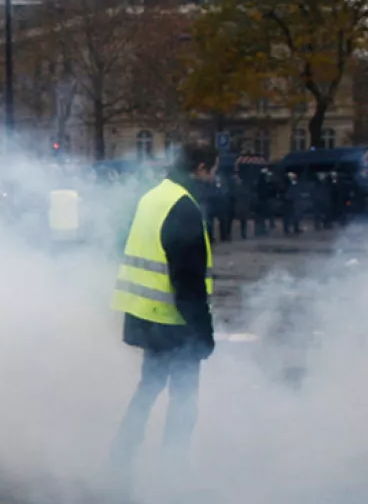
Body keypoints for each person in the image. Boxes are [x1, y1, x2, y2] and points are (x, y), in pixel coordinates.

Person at [108, 138, 217, 488]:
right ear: (200, 168)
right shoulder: (183, 206)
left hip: (145, 315)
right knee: (184, 399)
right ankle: (173, 469)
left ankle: (122, 454)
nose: (214, 177)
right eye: (212, 170)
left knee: (148, 388)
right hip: (175, 321)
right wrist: (203, 334)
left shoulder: (154, 196)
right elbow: (188, 280)